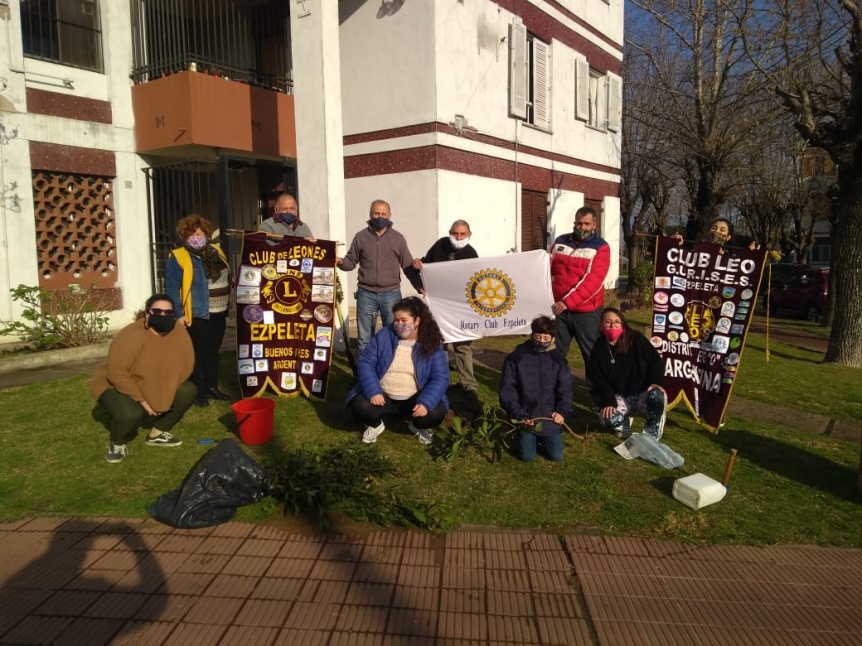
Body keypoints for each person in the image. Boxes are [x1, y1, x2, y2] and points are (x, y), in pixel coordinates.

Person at [90, 294, 197, 463]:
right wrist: (145, 401)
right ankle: (117, 441)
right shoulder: (132, 334)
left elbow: (186, 365)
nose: (163, 316)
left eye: (168, 313)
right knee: (130, 414)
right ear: (147, 314)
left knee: (188, 390)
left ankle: (157, 433)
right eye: (157, 311)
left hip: (149, 380)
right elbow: (117, 373)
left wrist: (163, 394)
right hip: (112, 383)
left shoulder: (178, 332)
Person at [346, 296, 449, 446]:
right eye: (396, 320)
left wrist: (426, 402)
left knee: (434, 413)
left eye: (404, 320)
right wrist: (373, 391)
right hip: (384, 397)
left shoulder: (432, 342)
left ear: (417, 321)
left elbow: (440, 377)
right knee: (359, 405)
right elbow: (365, 363)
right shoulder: (384, 335)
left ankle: (416, 425)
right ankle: (375, 425)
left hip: (414, 399)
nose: (399, 324)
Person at [406, 219, 481, 414]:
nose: (458, 237)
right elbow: (426, 264)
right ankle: (442, 381)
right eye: (455, 233)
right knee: (440, 344)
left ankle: (469, 386)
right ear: (450, 232)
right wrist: (417, 263)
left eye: (462, 234)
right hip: (439, 306)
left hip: (462, 308)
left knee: (463, 347)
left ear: (469, 235)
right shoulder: (440, 245)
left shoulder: (472, 254)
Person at [166, 215, 231, 407]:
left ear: (206, 233)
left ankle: (212, 386)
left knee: (213, 352)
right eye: (192, 234)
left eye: (200, 233)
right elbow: (171, 287)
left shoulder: (216, 251)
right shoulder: (178, 256)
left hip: (219, 312)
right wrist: (178, 315)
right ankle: (198, 391)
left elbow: (224, 275)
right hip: (197, 313)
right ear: (184, 236)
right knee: (197, 354)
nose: (196, 237)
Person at [337, 199, 417, 354]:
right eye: (376, 213)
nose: (380, 217)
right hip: (366, 294)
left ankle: (389, 374)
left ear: (389, 215)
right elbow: (351, 261)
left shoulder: (398, 238)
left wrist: (420, 286)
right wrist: (340, 261)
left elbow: (407, 265)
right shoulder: (360, 237)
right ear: (370, 214)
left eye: (383, 214)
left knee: (394, 335)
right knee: (364, 340)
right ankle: (364, 376)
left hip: (391, 294)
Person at [499, 316, 574, 462]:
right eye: (538, 337)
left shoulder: (558, 361)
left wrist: (561, 411)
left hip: (550, 417)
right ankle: (523, 436)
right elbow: (508, 390)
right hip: (527, 417)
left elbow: (566, 390)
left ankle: (541, 439)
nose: (541, 341)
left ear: (552, 339)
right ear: (532, 335)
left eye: (546, 338)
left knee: (556, 455)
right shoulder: (517, 358)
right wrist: (519, 415)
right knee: (527, 457)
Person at [588, 307, 667, 440]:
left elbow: (656, 362)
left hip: (642, 393)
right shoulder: (598, 348)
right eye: (608, 322)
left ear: (622, 324)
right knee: (609, 419)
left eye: (617, 322)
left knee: (656, 396)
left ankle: (651, 431)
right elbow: (597, 379)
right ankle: (624, 423)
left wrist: (655, 382)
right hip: (619, 396)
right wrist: (609, 401)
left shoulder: (636, 339)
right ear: (601, 325)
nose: (612, 325)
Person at [549, 206, 610, 371]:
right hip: (559, 310)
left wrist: (567, 302)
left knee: (592, 354)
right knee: (554, 352)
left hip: (587, 312)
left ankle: (599, 394)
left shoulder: (601, 247)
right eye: (578, 223)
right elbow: (547, 266)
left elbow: (593, 280)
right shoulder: (560, 241)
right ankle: (552, 389)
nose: (581, 227)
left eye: (586, 224)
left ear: (594, 225)